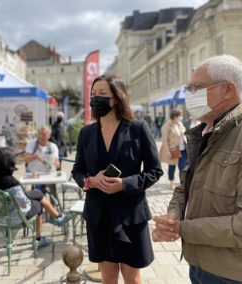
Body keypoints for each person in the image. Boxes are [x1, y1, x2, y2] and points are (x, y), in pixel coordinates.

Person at [152, 54, 242, 283]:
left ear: (228, 89)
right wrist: (173, 216)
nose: (189, 94)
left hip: (234, 274)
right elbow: (185, 187)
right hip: (198, 263)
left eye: (197, 87)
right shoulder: (204, 133)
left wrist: (183, 229)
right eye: (189, 87)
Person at [72, 75, 163, 284]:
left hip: (130, 215)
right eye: (93, 94)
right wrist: (90, 181)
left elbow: (155, 170)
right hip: (99, 215)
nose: (96, 98)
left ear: (116, 98)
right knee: (108, 275)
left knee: (132, 276)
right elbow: (78, 170)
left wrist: (125, 184)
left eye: (102, 94)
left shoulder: (138, 128)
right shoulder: (86, 133)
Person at [0, 147, 71, 249]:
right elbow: (24, 204)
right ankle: (39, 238)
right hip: (11, 218)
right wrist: (28, 198)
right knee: (38, 203)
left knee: (37, 193)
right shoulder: (12, 183)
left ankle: (57, 217)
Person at [159, 108, 187, 190]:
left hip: (183, 149)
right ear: (174, 116)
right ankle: (171, 182)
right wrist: (167, 151)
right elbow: (164, 140)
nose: (180, 117)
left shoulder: (179, 124)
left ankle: (183, 183)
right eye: (179, 116)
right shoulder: (166, 126)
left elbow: (184, 134)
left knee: (183, 167)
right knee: (172, 166)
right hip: (173, 150)